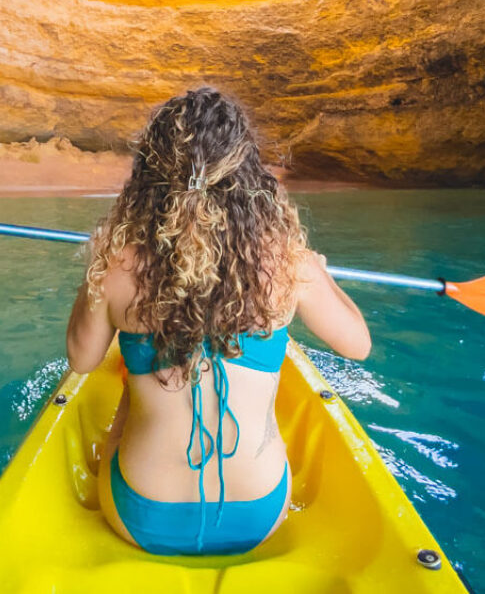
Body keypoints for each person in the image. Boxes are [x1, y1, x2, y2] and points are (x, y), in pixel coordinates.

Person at [66, 87, 371, 556]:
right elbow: (357, 345)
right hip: (258, 515)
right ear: (247, 172)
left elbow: (83, 359)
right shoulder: (289, 265)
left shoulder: (117, 265)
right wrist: (319, 274)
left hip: (139, 515)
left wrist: (101, 268)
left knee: (131, 387)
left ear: (149, 174)